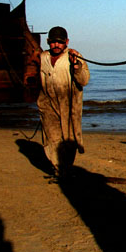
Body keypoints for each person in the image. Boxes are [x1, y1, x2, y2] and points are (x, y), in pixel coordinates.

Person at [37, 26, 90, 178]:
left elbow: (84, 80)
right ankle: (58, 170)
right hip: (47, 105)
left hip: (69, 106)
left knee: (69, 141)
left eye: (60, 42)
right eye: (53, 42)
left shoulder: (74, 56)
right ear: (48, 42)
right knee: (52, 139)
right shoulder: (42, 58)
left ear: (66, 42)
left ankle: (65, 169)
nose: (56, 45)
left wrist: (76, 67)